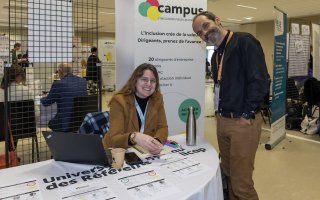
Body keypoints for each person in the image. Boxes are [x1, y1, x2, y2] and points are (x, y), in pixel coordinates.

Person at [193, 11, 269, 200]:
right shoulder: (215, 56)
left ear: (217, 20)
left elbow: (260, 81)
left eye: (205, 26)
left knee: (241, 184)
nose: (204, 33)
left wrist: (247, 115)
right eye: (199, 33)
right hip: (223, 120)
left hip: (243, 122)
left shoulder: (244, 42)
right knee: (227, 176)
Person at [102, 63, 168, 155]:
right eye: (144, 79)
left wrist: (156, 143)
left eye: (153, 81)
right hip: (116, 152)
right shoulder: (119, 101)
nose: (149, 84)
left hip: (142, 152)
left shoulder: (157, 99)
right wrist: (134, 137)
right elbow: (115, 139)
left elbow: (163, 127)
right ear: (135, 80)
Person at [41, 63, 87, 132]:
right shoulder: (82, 82)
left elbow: (47, 102)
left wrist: (41, 98)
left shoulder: (58, 84)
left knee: (51, 123)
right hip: (81, 120)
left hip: (65, 122)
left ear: (60, 71)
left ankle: (58, 141)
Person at [0, 65, 34, 150]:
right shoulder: (26, 90)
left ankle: (11, 153)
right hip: (23, 128)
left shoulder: (1, 91)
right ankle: (12, 152)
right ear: (19, 76)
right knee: (16, 122)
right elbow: (35, 113)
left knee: (10, 122)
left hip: (2, 129)